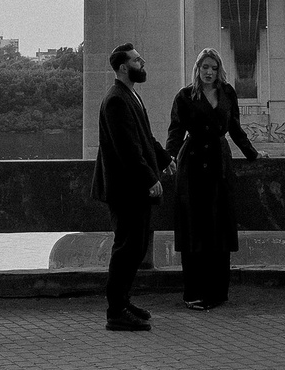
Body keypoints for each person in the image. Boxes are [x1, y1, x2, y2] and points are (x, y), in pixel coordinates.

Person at [164, 46, 261, 309]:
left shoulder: (227, 92)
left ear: (219, 70)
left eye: (214, 68)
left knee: (219, 226)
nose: (209, 72)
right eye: (204, 67)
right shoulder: (184, 97)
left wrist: (252, 153)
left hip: (219, 163)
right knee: (195, 228)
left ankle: (217, 291)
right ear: (197, 69)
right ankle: (193, 293)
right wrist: (167, 159)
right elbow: (175, 131)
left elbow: (235, 128)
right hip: (193, 164)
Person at [90, 41, 171, 331]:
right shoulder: (116, 100)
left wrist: (164, 158)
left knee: (135, 247)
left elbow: (144, 136)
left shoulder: (130, 95)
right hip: (126, 189)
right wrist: (150, 178)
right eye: (137, 60)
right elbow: (127, 148)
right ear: (124, 67)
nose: (143, 62)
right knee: (126, 248)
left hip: (132, 187)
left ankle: (124, 301)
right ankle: (115, 312)